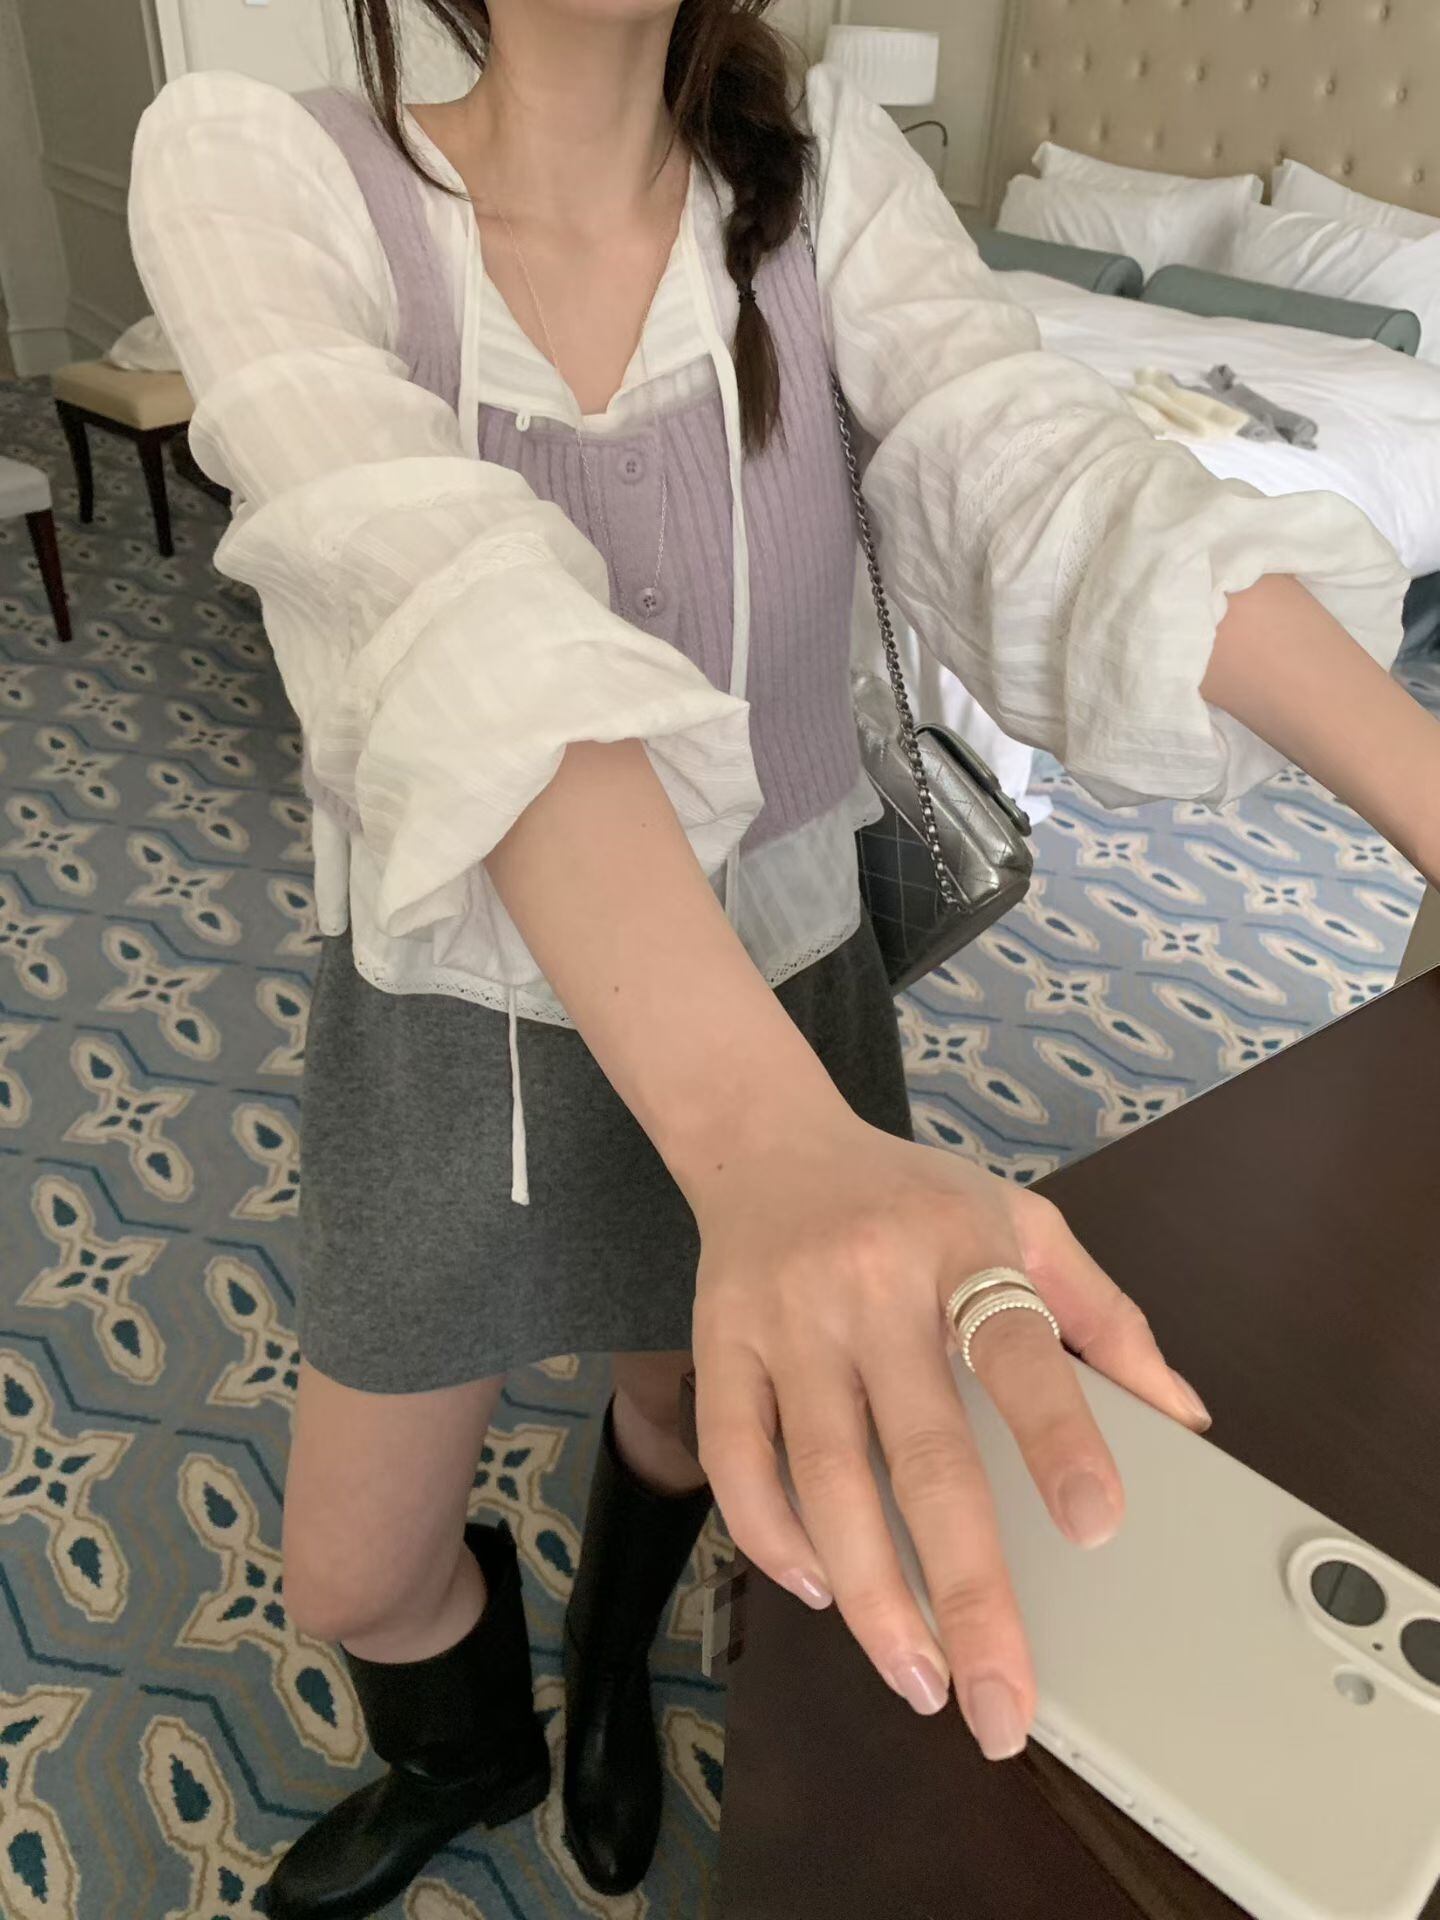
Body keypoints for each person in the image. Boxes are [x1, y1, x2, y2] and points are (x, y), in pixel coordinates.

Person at [128, 3, 1440, 1914]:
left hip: (776, 969)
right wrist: (770, 1147)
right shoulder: (264, 169)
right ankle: (467, 1750)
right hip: (456, 1013)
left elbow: (1053, 481)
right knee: (349, 1564)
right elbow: (437, 602)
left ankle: (605, 1681)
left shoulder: (826, 179)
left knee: (683, 1410)